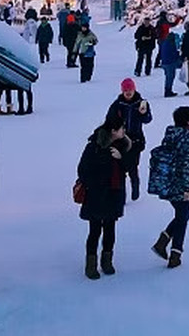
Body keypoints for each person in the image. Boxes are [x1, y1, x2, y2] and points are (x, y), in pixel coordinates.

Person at [76, 109, 130, 279]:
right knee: (94, 231)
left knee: (110, 230)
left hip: (114, 194)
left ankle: (107, 261)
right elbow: (83, 170)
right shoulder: (94, 147)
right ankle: (90, 265)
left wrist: (121, 158)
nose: (124, 131)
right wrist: (96, 184)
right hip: (96, 195)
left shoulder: (123, 146)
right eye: (121, 129)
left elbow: (130, 168)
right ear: (113, 131)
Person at [150, 105, 189, 269]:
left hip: (168, 182)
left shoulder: (170, 135)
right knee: (183, 216)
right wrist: (187, 188)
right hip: (181, 184)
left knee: (183, 214)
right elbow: (185, 165)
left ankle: (164, 241)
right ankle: (174, 253)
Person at [107, 78, 153, 200]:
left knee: (133, 167)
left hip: (135, 140)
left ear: (134, 89)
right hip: (120, 140)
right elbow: (109, 120)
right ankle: (122, 195)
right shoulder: (117, 104)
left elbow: (148, 119)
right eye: (125, 90)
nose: (128, 92)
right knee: (120, 169)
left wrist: (143, 113)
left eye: (130, 90)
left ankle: (135, 191)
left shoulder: (141, 103)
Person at [158, 25, 183, 98]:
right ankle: (168, 91)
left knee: (167, 77)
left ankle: (167, 90)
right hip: (170, 63)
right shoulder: (171, 44)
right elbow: (174, 54)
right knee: (170, 77)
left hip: (164, 63)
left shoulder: (164, 43)